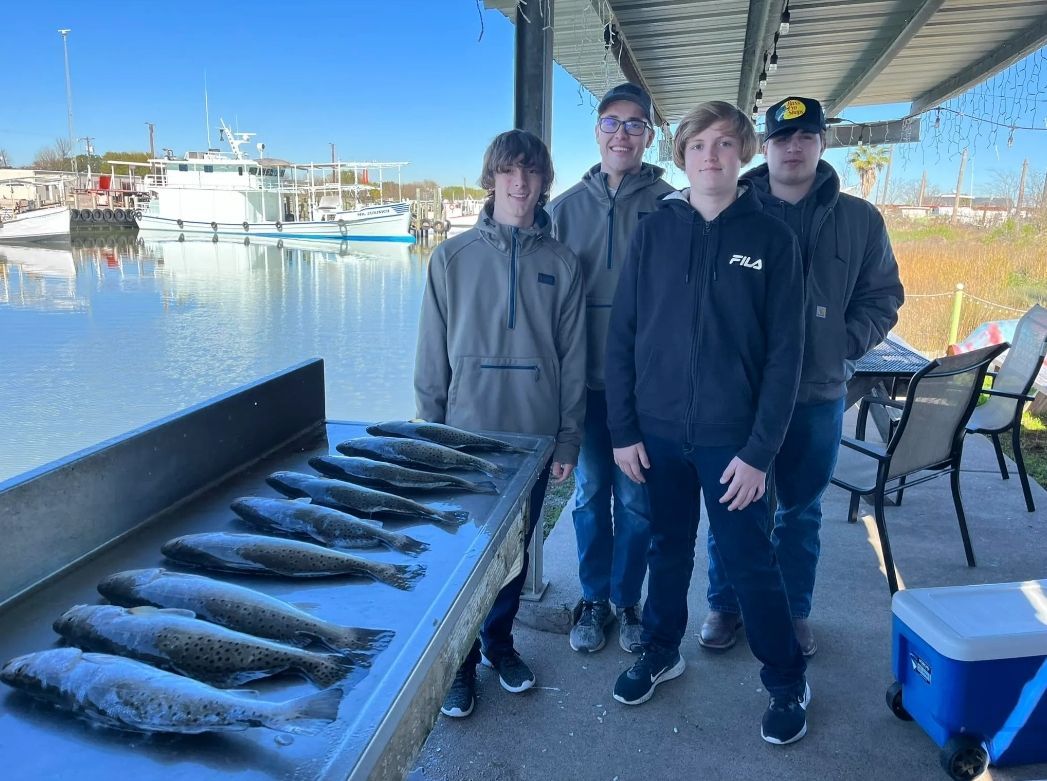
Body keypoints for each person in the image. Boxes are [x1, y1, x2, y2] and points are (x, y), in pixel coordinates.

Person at [605, 100, 811, 745]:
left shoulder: (772, 238)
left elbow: (786, 357)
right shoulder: (653, 230)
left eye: (724, 144)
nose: (711, 157)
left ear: (744, 153)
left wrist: (759, 452)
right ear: (682, 155)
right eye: (698, 146)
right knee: (668, 550)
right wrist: (622, 429)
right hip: (658, 435)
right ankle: (662, 650)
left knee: (751, 562)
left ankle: (786, 681)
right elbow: (622, 336)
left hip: (733, 442)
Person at [700, 97, 904, 657]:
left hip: (815, 396)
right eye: (782, 137)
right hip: (740, 399)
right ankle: (725, 603)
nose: (794, 147)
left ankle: (792, 613)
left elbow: (883, 298)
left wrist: (840, 345)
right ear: (763, 147)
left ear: (820, 143)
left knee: (799, 511)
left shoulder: (861, 220)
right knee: (734, 507)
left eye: (805, 136)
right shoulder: (728, 209)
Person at [415, 129, 587, 719]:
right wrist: (427, 437)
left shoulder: (562, 264)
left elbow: (573, 359)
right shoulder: (451, 258)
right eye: (509, 171)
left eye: (532, 173)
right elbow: (430, 359)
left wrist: (568, 437)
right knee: (462, 559)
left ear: (544, 184)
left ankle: (499, 644)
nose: (521, 183)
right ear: (492, 179)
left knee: (514, 557)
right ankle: (458, 665)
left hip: (535, 442)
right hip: (464, 441)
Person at [548, 82, 674, 654]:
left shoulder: (674, 207)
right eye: (611, 122)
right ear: (596, 131)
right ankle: (593, 599)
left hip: (648, 392)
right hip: (586, 387)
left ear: (650, 135)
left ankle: (628, 603)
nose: (621, 133)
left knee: (637, 502)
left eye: (634, 124)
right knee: (590, 494)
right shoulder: (562, 211)